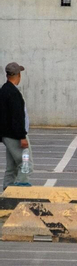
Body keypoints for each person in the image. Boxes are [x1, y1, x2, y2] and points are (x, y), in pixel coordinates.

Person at [0, 62, 28, 192]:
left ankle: (6, 191)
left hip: (7, 135)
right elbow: (17, 116)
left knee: (11, 166)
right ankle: (18, 191)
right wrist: (22, 136)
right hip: (15, 135)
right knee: (26, 163)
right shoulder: (13, 93)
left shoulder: (4, 90)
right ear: (18, 75)